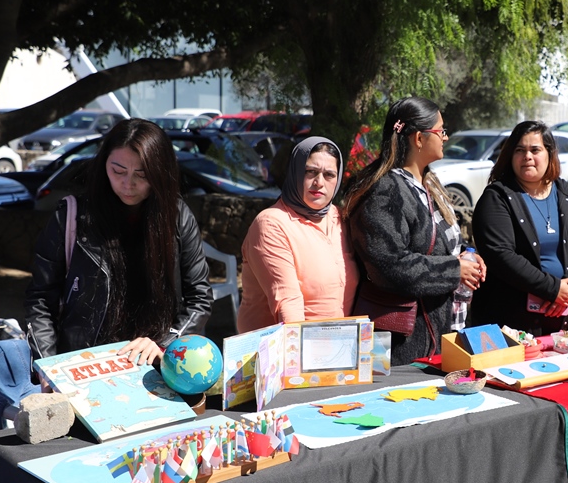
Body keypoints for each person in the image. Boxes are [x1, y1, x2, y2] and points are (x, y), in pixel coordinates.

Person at [26, 119, 212, 366]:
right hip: (85, 364)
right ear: (104, 165)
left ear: (160, 172)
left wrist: (165, 343)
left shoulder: (176, 217)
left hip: (153, 364)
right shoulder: (71, 217)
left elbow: (199, 297)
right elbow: (40, 300)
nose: (128, 184)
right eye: (118, 171)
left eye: (142, 174)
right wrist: (46, 367)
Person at [344, 96, 485, 365]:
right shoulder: (384, 190)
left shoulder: (429, 183)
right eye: (440, 130)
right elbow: (390, 265)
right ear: (419, 139)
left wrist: (469, 256)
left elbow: (445, 244)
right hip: (401, 344)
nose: (445, 136)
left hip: (435, 330)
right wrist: (455, 270)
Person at [471, 121, 568, 335]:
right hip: (513, 324)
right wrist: (552, 289)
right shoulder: (496, 197)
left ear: (550, 154)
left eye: (535, 150)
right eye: (520, 150)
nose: (527, 156)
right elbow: (500, 254)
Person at [238, 136, 359, 333]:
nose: (319, 182)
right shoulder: (272, 223)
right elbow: (287, 301)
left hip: (338, 348)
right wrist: (299, 357)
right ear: (295, 173)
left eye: (329, 175)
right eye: (311, 172)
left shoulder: (340, 219)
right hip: (283, 351)